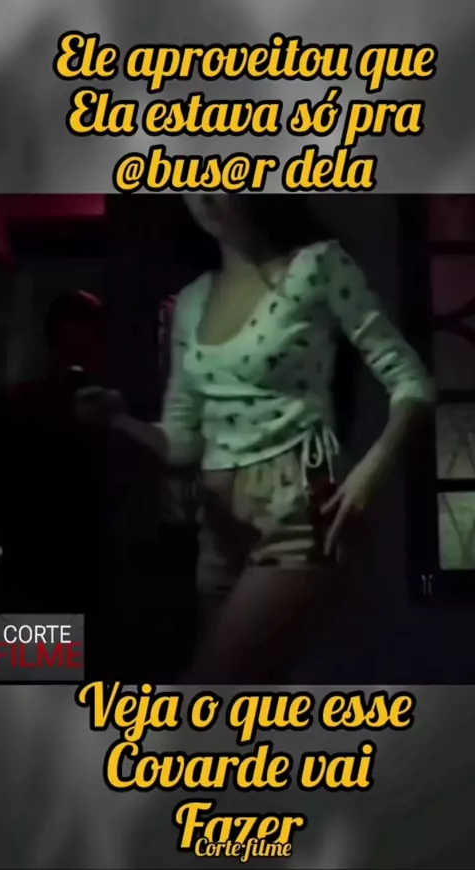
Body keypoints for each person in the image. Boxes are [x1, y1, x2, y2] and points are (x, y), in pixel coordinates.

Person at [84, 195, 434, 682]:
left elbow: (412, 382)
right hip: (217, 526)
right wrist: (119, 420)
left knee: (208, 689)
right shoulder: (192, 300)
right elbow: (183, 440)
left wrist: (369, 475)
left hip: (297, 506)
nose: (205, 195)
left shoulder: (316, 265)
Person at [0, 290, 106, 614]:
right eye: (73, 346)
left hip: (80, 571)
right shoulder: (21, 405)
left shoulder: (110, 413)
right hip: (35, 567)